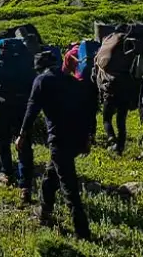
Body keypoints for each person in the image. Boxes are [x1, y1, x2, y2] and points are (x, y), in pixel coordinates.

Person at [16, 51, 94, 240]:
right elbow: (87, 110)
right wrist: (89, 137)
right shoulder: (72, 81)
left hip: (60, 139)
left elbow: (31, 110)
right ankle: (44, 211)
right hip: (77, 138)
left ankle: (82, 232)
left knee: (69, 187)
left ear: (38, 68)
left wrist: (22, 135)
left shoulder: (42, 81)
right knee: (52, 175)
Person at [0, 31, 36, 201]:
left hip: (1, 105)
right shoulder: (26, 58)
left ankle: (6, 172)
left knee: (2, 140)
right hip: (24, 106)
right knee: (24, 142)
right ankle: (25, 184)